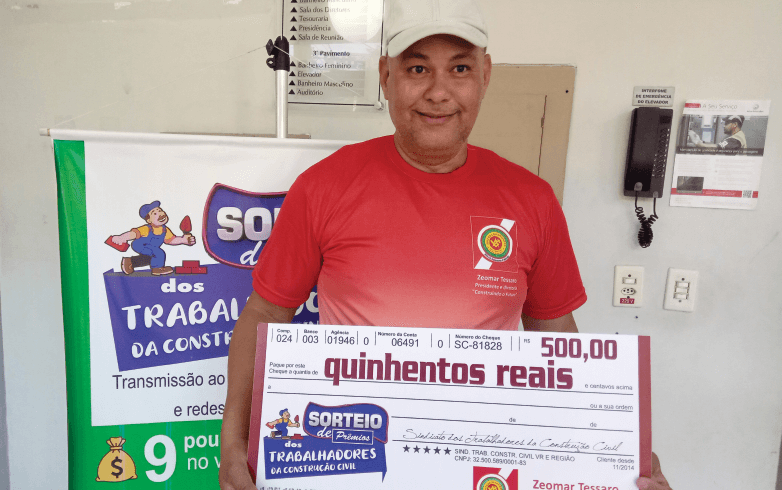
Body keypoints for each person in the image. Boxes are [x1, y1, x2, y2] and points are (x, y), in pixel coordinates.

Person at [219, 1, 671, 489]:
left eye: (459, 69)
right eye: (417, 69)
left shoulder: (532, 200)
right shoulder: (323, 187)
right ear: (386, 77)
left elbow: (558, 341)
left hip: (483, 464)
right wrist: (233, 439)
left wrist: (616, 450)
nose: (438, 93)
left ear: (485, 76)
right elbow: (265, 313)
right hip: (351, 460)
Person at [110, 201, 196, 275]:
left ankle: (130, 262)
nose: (160, 214)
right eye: (155, 213)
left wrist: (183, 240)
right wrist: (122, 237)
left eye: (160, 210)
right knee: (159, 253)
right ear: (149, 220)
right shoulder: (147, 228)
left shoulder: (165, 230)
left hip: (150, 247)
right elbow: (133, 234)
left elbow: (171, 240)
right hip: (140, 245)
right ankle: (157, 269)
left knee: (151, 258)